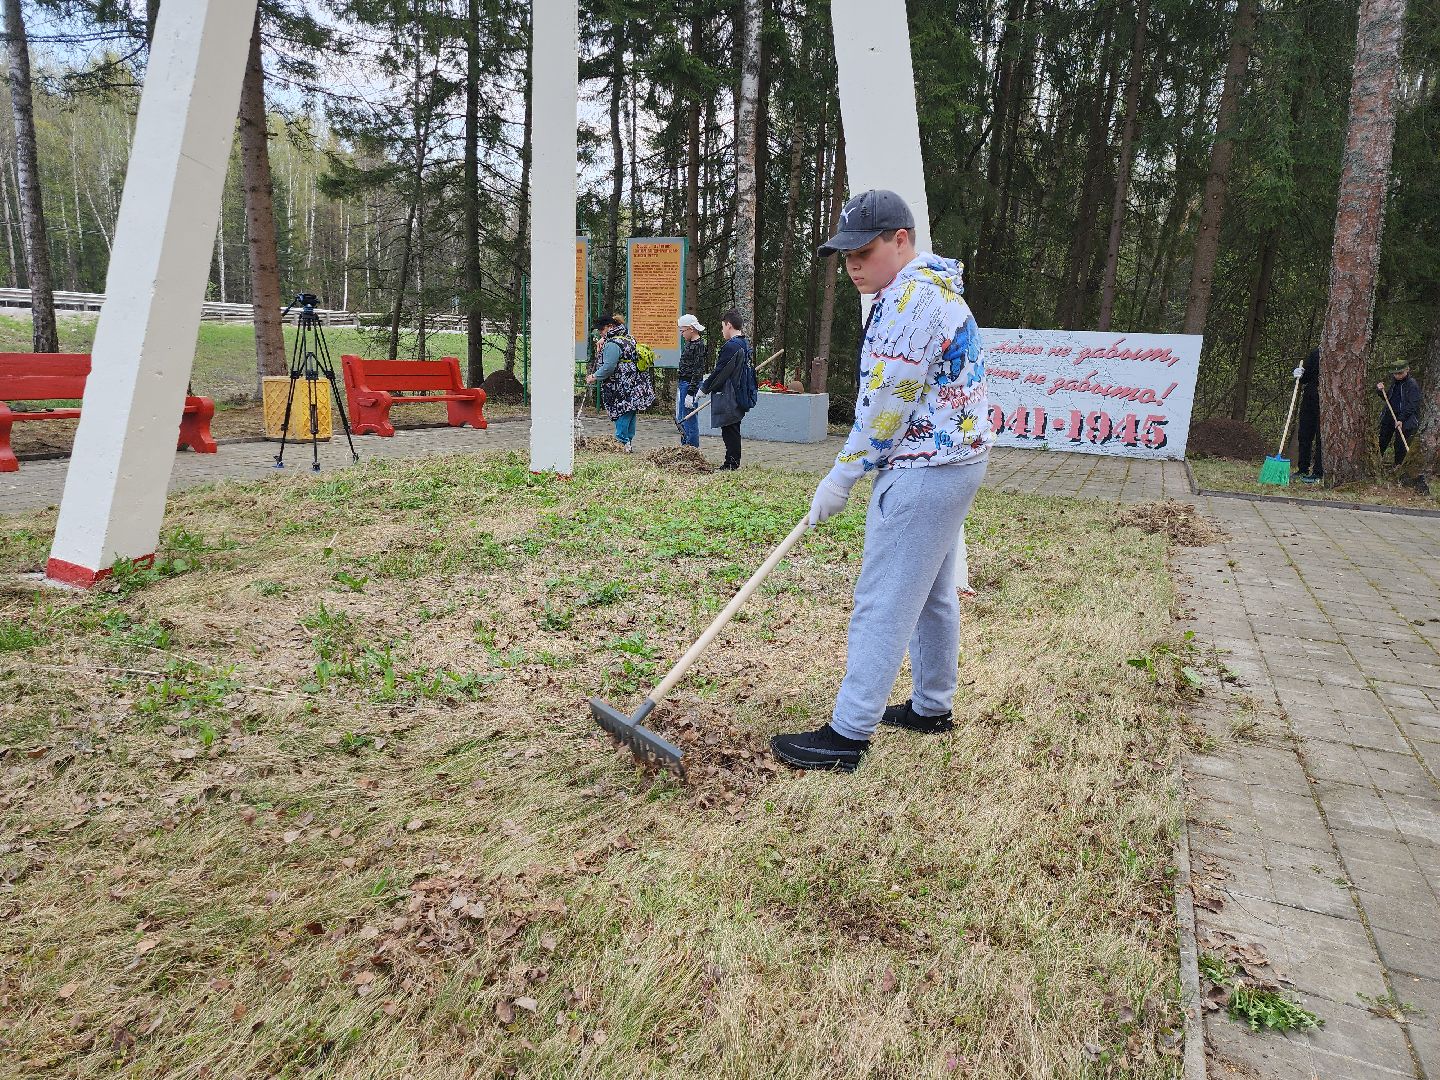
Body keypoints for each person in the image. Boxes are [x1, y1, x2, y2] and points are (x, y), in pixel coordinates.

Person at [771, 189, 993, 772]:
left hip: (924, 467)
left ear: (900, 241)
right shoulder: (927, 291)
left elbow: (886, 407)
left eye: (861, 252)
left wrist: (841, 477)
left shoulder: (911, 303)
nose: (850, 266)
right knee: (933, 594)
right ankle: (931, 707)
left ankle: (847, 733)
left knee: (884, 598)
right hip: (956, 459)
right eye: (843, 255)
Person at [586, 314, 655, 451]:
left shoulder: (613, 344)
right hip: (635, 381)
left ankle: (621, 442)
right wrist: (602, 339)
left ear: (610, 327)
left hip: (620, 384)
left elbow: (608, 367)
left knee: (622, 410)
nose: (600, 332)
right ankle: (627, 441)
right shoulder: (628, 337)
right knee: (630, 410)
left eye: (601, 330)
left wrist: (594, 376)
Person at [701, 310, 752, 470]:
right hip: (739, 391)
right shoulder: (744, 343)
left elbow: (721, 371)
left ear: (729, 325)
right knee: (732, 427)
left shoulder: (731, 346)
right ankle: (732, 461)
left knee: (730, 428)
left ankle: (731, 463)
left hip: (731, 392)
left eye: (723, 326)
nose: (722, 330)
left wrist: (704, 388)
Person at [1379, 363, 1421, 467]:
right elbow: (1388, 398)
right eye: (1395, 373)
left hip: (1406, 418)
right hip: (1390, 416)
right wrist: (1380, 391)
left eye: (1400, 373)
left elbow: (1412, 405)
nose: (1398, 376)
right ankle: (1377, 465)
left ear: (1407, 370)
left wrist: (1401, 419)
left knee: (1400, 445)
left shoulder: (1412, 384)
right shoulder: (1394, 383)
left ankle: (1398, 467)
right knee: (1383, 439)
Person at [676, 314, 707, 448]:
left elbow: (698, 370)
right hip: (683, 383)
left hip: (690, 385)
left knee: (689, 418)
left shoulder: (699, 345)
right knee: (683, 417)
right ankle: (685, 446)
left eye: (683, 331)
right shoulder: (690, 343)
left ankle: (691, 448)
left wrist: (690, 392)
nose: (681, 334)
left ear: (691, 329)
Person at [1296, 348, 1322, 483]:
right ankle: (1303, 468)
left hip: (1326, 400)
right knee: (1304, 434)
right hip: (1310, 397)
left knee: (1321, 437)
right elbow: (1305, 378)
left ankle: (1318, 471)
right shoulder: (1315, 353)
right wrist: (1300, 374)